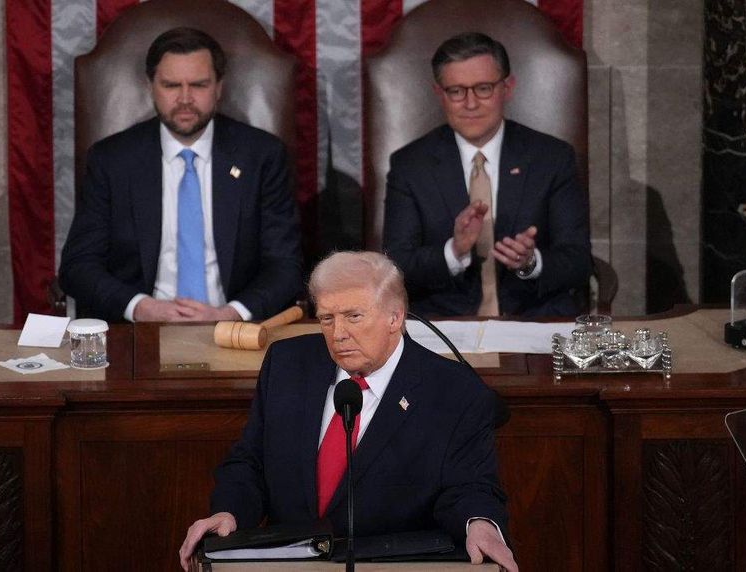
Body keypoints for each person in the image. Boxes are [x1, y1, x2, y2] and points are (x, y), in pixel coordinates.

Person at [178, 251, 517, 571]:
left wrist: (481, 523)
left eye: (354, 316)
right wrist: (230, 512)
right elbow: (250, 462)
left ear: (395, 317)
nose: (338, 334)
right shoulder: (287, 365)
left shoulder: (454, 391)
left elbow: (470, 486)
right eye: (327, 318)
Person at [59, 27, 302, 323]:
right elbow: (78, 266)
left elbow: (285, 265)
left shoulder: (261, 156)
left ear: (219, 87)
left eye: (198, 85)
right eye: (171, 85)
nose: (185, 98)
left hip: (234, 331)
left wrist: (232, 314)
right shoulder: (112, 160)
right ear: (151, 86)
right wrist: (139, 307)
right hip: (141, 333)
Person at [383, 32, 591, 318]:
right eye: (456, 91)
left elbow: (578, 260)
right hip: (444, 322)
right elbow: (396, 265)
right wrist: (453, 251)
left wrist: (531, 262)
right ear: (439, 95)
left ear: (507, 88)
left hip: (534, 316)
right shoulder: (410, 165)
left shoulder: (552, 158)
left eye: (483, 88)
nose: (470, 103)